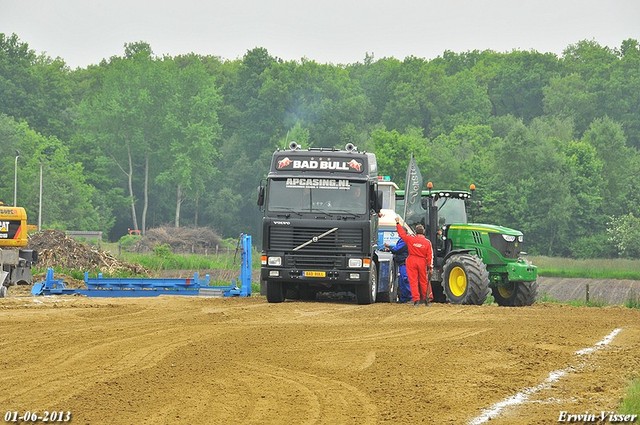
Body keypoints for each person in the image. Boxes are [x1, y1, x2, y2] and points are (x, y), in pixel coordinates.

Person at [395, 215, 434, 306]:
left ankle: (416, 299)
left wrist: (397, 223)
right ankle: (425, 299)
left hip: (411, 260)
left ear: (416, 232)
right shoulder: (427, 242)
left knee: (413, 281)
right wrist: (430, 267)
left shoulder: (411, 239)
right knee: (423, 281)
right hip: (422, 261)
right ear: (423, 232)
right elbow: (429, 256)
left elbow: (402, 234)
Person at [384, 238, 411, 303]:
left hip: (404, 262)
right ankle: (404, 299)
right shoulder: (402, 239)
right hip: (402, 262)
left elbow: (397, 249)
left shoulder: (404, 240)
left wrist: (389, 247)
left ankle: (410, 298)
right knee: (402, 281)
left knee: (405, 279)